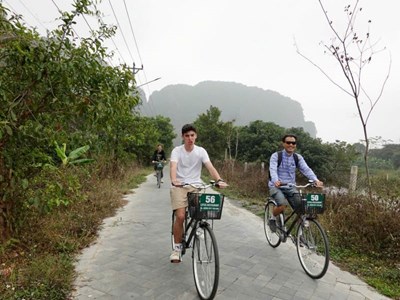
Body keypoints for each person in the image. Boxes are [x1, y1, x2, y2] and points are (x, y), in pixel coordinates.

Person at [169, 124, 228, 263]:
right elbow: (173, 166)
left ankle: (198, 228)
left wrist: (218, 180)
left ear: (196, 136)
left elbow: (210, 167)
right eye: (187, 136)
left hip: (196, 186)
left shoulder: (201, 151)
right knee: (181, 216)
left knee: (202, 211)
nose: (190, 138)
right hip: (180, 186)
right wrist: (174, 180)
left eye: (192, 135)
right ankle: (177, 249)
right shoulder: (177, 151)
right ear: (182, 137)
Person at [268, 134, 323, 231]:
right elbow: (273, 169)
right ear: (283, 144)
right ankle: (272, 218)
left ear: (295, 145)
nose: (291, 145)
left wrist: (316, 180)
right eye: (288, 142)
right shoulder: (276, 156)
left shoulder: (298, 157)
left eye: (293, 143)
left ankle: (300, 234)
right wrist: (275, 180)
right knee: (282, 205)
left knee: (302, 207)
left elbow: (306, 169)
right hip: (276, 186)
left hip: (290, 186)